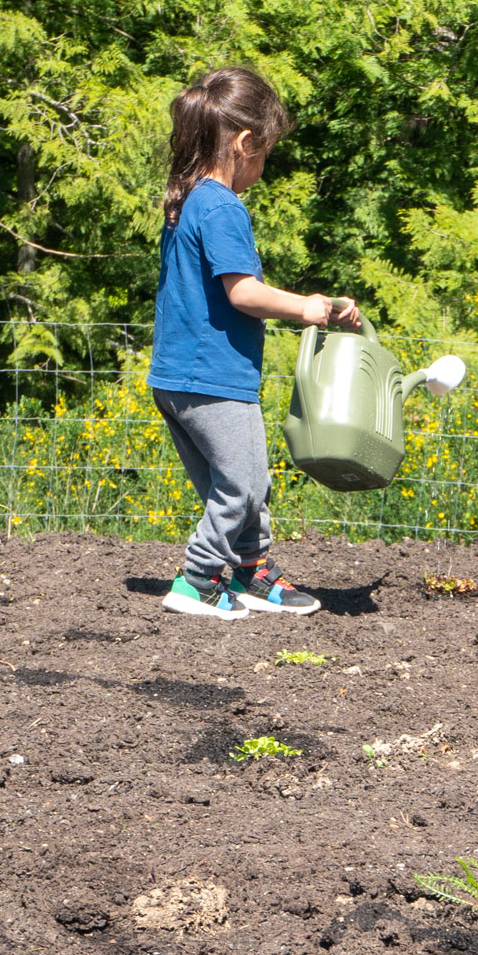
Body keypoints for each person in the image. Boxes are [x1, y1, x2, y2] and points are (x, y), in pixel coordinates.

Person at [148, 67, 360, 620]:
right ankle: (197, 580)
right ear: (244, 144)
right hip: (212, 376)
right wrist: (307, 307)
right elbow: (242, 292)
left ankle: (252, 570)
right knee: (241, 485)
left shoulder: (186, 200)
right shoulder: (222, 206)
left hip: (177, 376)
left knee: (245, 481)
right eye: (266, 153)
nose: (264, 167)